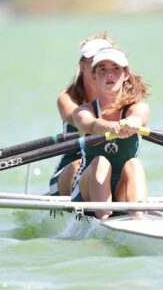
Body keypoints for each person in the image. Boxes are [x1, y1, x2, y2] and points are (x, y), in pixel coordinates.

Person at [71, 47, 150, 219]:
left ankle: (139, 218)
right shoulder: (83, 111)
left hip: (122, 187)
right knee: (100, 162)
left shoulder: (138, 108)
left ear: (126, 74)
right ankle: (103, 220)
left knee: (134, 164)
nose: (109, 74)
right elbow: (91, 124)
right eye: (102, 69)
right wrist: (111, 127)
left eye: (116, 68)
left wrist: (132, 123)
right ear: (94, 76)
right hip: (88, 192)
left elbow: (139, 117)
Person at [48, 33, 117, 196]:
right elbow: (81, 122)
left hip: (110, 169)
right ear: (82, 66)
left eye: (106, 63)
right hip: (71, 171)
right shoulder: (67, 98)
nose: (100, 66)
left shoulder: (125, 99)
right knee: (79, 165)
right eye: (94, 61)